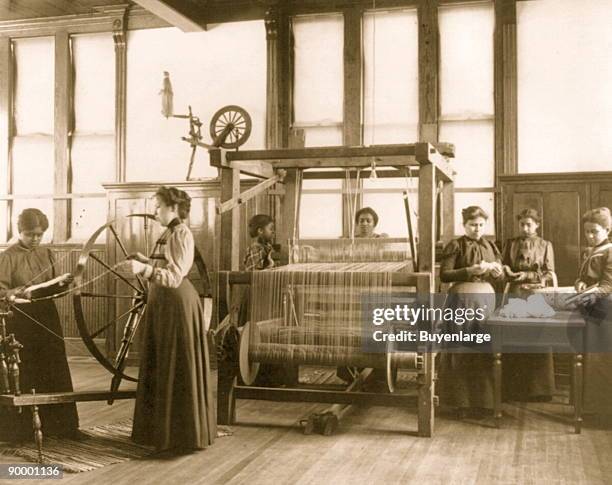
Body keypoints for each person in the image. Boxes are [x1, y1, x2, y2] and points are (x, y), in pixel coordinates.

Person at [119, 186, 215, 453]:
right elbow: (164, 267)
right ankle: (160, 433)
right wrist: (143, 261)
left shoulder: (182, 233)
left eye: (158, 206)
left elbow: (174, 277)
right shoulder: (168, 232)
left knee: (175, 365)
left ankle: (180, 437)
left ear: (173, 208)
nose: (154, 211)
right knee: (163, 364)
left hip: (176, 305)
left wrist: (144, 269)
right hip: (162, 303)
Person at [0, 208, 79, 442]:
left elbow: (53, 286)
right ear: (20, 231)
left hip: (46, 316)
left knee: (54, 366)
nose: (35, 239)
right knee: (26, 370)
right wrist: (14, 293)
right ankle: (20, 432)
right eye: (30, 234)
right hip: (21, 320)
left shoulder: (47, 252)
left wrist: (63, 283)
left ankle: (62, 427)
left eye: (39, 235)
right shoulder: (7, 256)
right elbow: (1, 290)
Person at [437, 206, 504, 417]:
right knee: (461, 347)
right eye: (473, 225)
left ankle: (483, 402)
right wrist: (469, 271)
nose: (477, 229)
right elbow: (445, 275)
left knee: (483, 346)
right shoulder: (455, 245)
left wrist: (498, 271)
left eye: (481, 225)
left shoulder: (490, 245)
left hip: (486, 300)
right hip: (462, 300)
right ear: (464, 225)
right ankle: (460, 402)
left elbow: (501, 277)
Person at [501, 208, 556, 401]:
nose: (525, 228)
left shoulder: (545, 245)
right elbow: (503, 265)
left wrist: (529, 275)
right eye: (522, 224)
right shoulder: (511, 243)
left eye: (529, 224)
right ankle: (513, 389)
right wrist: (507, 269)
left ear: (537, 225)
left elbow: (550, 273)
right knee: (514, 336)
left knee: (538, 337)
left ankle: (539, 391)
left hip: (536, 295)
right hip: (515, 294)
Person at [573, 207, 612, 416]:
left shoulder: (610, 250)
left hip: (605, 309)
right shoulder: (589, 251)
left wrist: (591, 294)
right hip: (591, 306)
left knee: (601, 358)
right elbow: (582, 277)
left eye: (594, 231)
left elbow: (608, 285)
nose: (589, 236)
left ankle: (602, 411)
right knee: (590, 355)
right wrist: (579, 283)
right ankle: (588, 408)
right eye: (587, 231)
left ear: (607, 230)